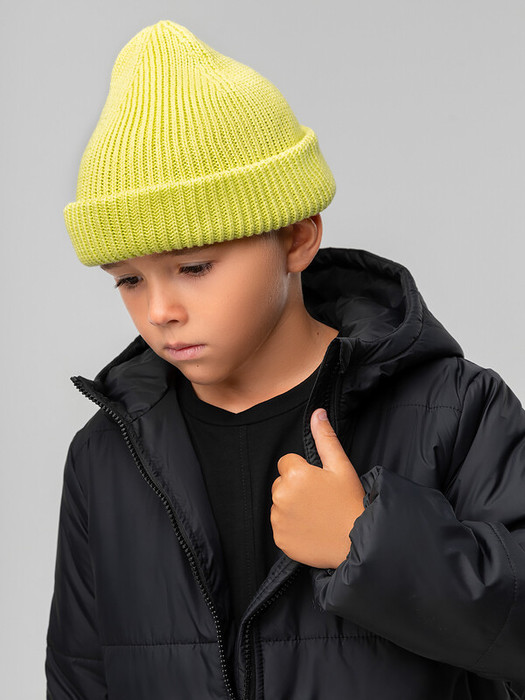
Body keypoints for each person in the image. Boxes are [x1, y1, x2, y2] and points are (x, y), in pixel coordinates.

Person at [45, 20, 525, 700]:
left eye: (193, 266)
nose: (159, 310)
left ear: (297, 239)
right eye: (128, 279)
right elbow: (79, 678)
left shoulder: (455, 411)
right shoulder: (105, 455)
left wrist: (367, 542)